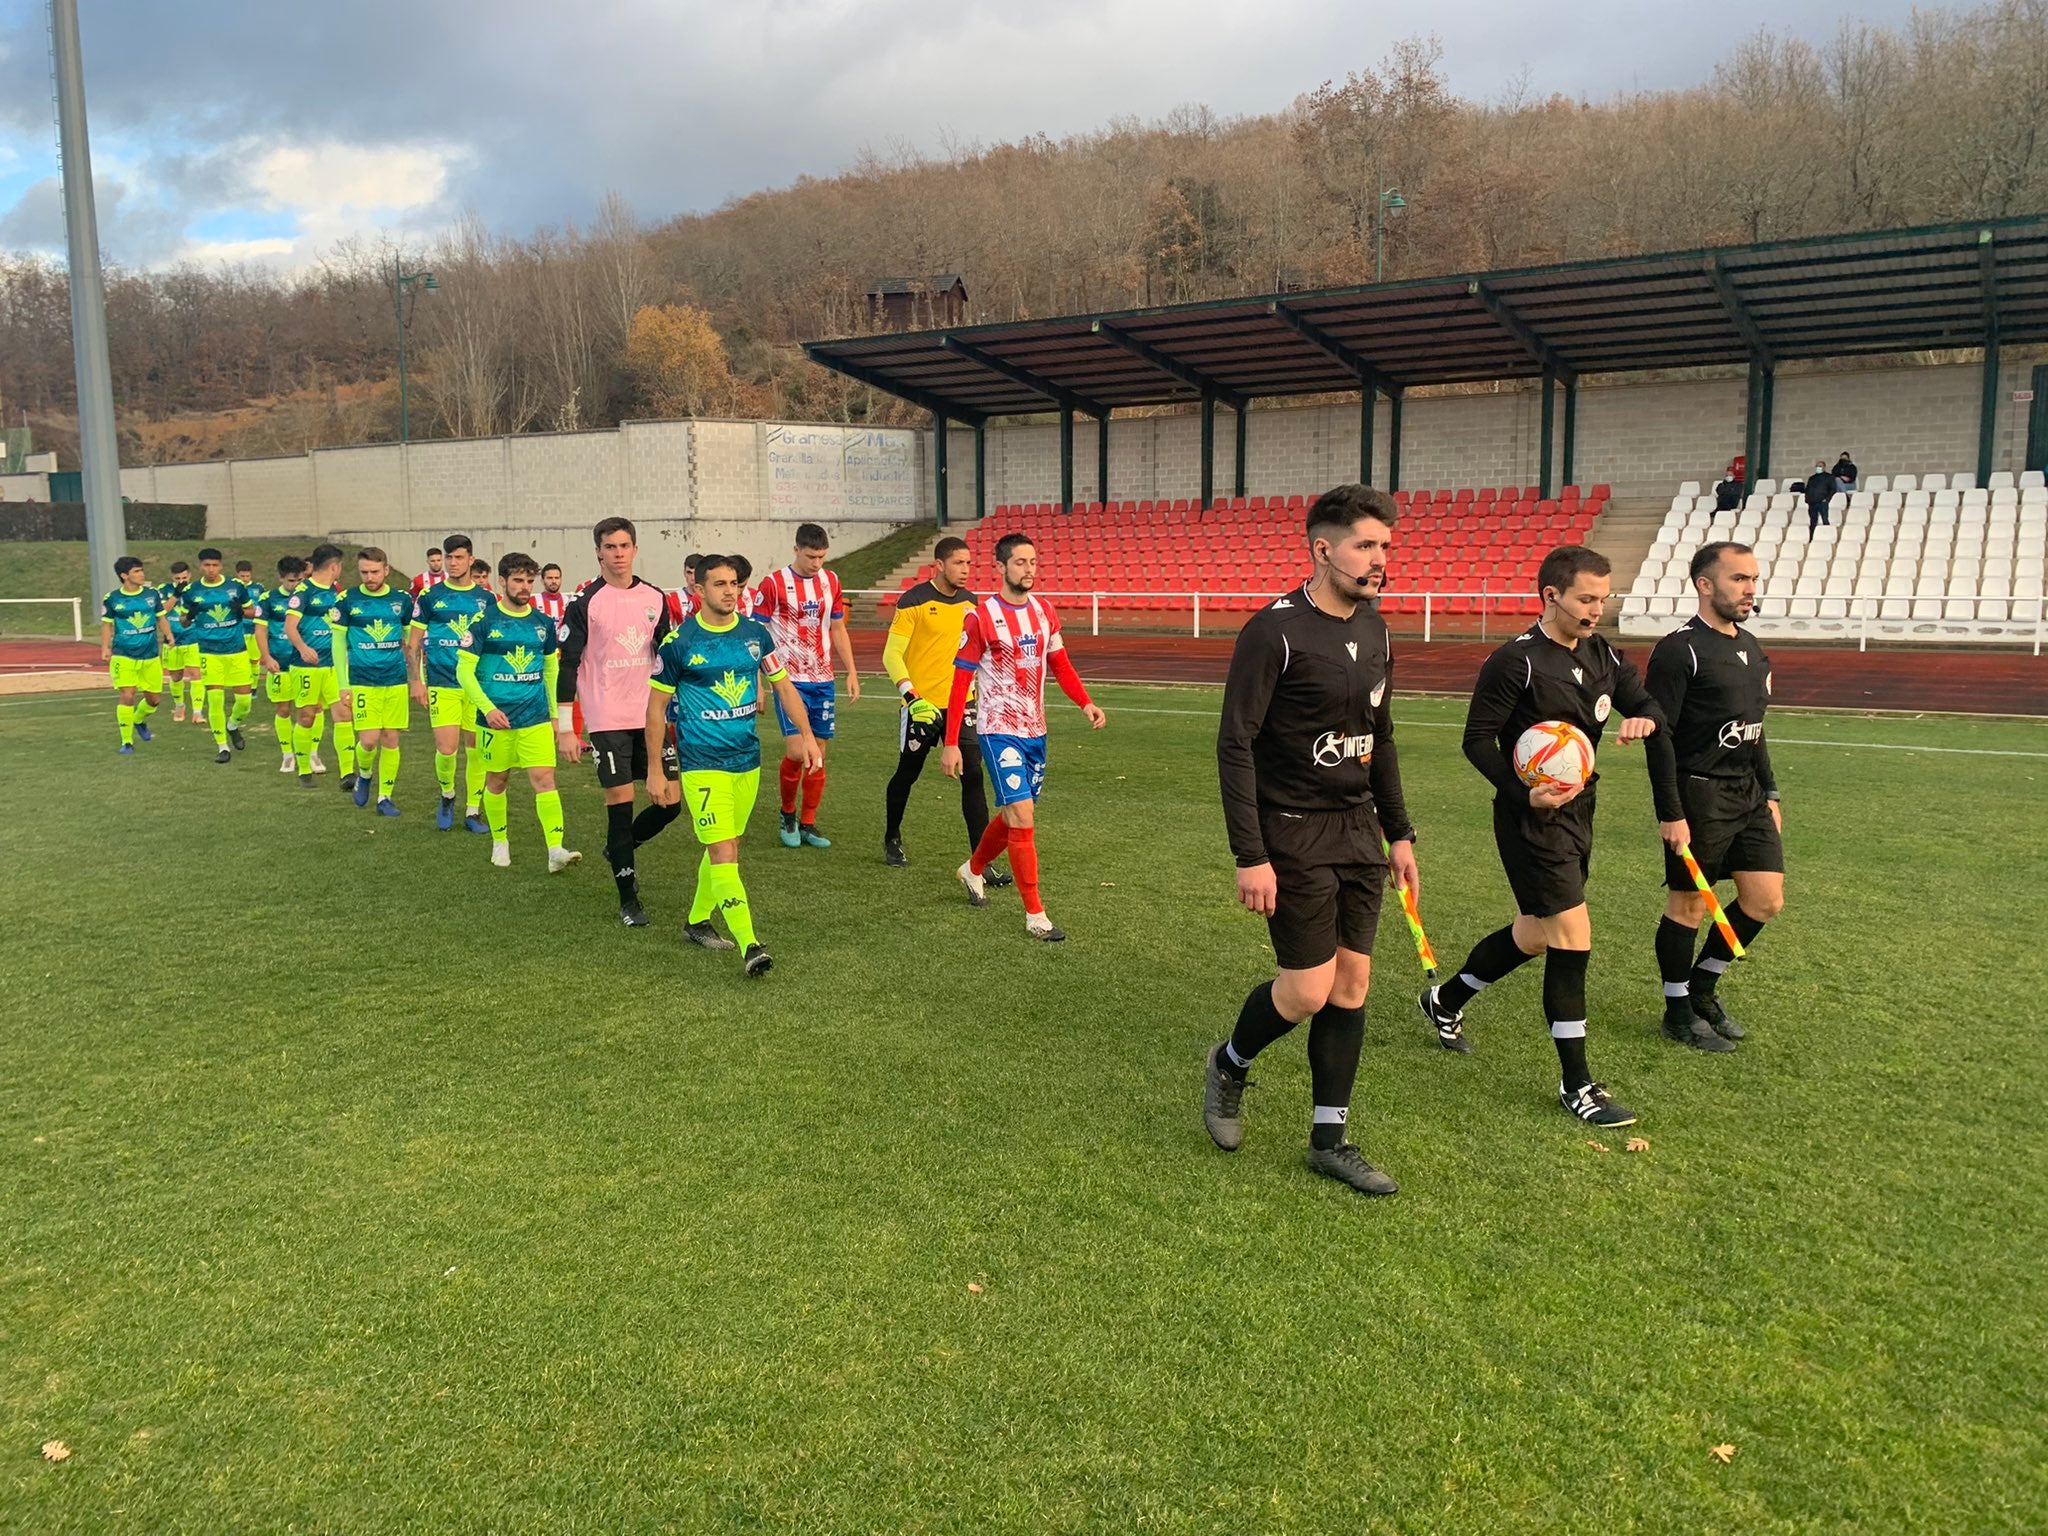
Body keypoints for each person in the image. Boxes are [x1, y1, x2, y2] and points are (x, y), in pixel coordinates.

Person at [1417, 545, 1680, 1129]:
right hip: (1529, 819)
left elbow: (1651, 706)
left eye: (1603, 599)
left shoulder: (1604, 653)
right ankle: (1577, 1085)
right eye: (1586, 599)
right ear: (1551, 597)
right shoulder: (1516, 663)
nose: (1596, 610)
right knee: (1572, 938)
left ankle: (1444, 1000)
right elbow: (1477, 741)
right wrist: (1523, 793)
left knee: (1536, 933)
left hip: (1581, 812)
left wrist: (1646, 719)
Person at [1203, 484, 1417, 1197]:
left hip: (1357, 828)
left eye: (1385, 545)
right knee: (1305, 991)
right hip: (1291, 831)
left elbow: (1379, 738)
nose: (1380, 558)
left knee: (1352, 986)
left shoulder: (1378, 630)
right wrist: (1250, 853)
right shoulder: (1275, 631)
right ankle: (1231, 1062)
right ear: (1323, 549)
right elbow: (1235, 745)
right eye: (1365, 544)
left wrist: (1400, 833)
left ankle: (1330, 1138)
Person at [645, 553, 821, 975]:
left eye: (735, 584)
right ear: (699, 590)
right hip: (702, 762)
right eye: (720, 584)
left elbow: (784, 687)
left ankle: (695, 921)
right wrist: (657, 769)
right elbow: (655, 711)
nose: (730, 591)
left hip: (747, 759)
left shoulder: (756, 635)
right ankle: (750, 945)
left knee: (730, 846)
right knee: (723, 851)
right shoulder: (679, 643)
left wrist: (807, 735)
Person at [1645, 542, 1785, 1052]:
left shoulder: (1751, 646)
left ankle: (1702, 989)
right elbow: (1659, 737)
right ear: (1705, 585)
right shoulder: (1678, 650)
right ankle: (1677, 1012)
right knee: (1687, 905)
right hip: (1698, 795)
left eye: (1753, 578)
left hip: (1748, 795)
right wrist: (1671, 812)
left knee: (1765, 900)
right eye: (1738, 579)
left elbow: (1755, 727)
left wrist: (1769, 790)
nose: (1750, 588)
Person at [940, 531, 1107, 942]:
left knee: (1015, 814)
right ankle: (1036, 914)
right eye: (1020, 562)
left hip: (1036, 731)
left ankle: (972, 869)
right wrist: (950, 742)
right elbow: (960, 682)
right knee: (1023, 816)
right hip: (998, 731)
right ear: (1000, 567)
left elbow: (1061, 664)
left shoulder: (1045, 612)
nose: (1028, 569)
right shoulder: (979, 617)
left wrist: (1085, 702)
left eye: (1033, 562)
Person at [555, 517, 679, 926]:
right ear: (598, 552)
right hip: (607, 719)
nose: (618, 554)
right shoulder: (585, 604)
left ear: (635, 549)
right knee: (620, 808)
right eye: (610, 547)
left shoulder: (655, 598)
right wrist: (566, 726)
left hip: (651, 716)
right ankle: (629, 900)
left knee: (671, 804)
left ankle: (621, 847)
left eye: (625, 546)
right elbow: (568, 664)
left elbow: (667, 656)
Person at [881, 535, 1008, 880]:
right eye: (958, 563)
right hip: (922, 707)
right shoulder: (914, 601)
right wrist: (911, 697)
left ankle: (982, 862)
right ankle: (892, 837)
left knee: (974, 776)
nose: (965, 570)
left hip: (963, 705)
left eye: (968, 563)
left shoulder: (972, 603)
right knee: (908, 773)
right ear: (939, 565)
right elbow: (891, 655)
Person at [456, 552, 582, 873]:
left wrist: (554, 714)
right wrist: (488, 708)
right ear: (502, 581)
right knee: (497, 781)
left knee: (545, 779)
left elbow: (550, 668)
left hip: (535, 716)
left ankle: (555, 849)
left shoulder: (542, 624)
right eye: (518, 581)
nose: (525, 587)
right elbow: (464, 673)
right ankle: (500, 841)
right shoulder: (484, 623)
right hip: (494, 719)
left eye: (529, 581)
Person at [751, 522, 859, 848]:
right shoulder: (773, 584)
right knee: (798, 751)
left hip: (823, 679)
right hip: (788, 679)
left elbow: (838, 628)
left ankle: (809, 823)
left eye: (822, 557)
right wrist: (758, 683)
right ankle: (787, 813)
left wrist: (851, 671)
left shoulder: (832, 581)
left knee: (819, 754)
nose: (817, 563)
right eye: (811, 556)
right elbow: (756, 636)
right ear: (796, 549)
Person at [406, 534, 492, 833]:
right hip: (442, 682)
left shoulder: (486, 598)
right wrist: (416, 681)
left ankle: (472, 811)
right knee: (446, 748)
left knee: (477, 748)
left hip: (477, 686)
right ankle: (447, 795)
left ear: (471, 560)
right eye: (449, 558)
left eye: (459, 558)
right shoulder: (430, 597)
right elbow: (413, 643)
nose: (453, 563)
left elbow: (492, 644)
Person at [329, 547, 417, 816]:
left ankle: (385, 798)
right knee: (368, 741)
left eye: (375, 572)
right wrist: (343, 684)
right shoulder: (347, 600)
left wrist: (416, 679)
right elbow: (337, 643)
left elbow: (410, 643)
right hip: (362, 681)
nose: (369, 577)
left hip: (395, 680)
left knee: (391, 738)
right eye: (364, 572)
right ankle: (365, 774)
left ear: (386, 570)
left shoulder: (401, 601)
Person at [177, 546, 260, 764]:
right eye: (206, 565)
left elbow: (253, 612)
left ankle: (232, 725)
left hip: (237, 650)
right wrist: (191, 615)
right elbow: (183, 621)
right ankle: (222, 747)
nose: (211, 569)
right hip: (209, 652)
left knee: (244, 702)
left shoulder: (235, 587)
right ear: (200, 566)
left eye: (215, 565)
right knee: (215, 700)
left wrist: (241, 611)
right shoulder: (191, 591)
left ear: (221, 566)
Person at [284, 544, 348, 790]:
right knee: (307, 716)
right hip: (305, 667)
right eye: (340, 565)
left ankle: (347, 773)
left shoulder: (338, 592)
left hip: (334, 665)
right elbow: (290, 626)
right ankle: (304, 770)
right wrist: (302, 648)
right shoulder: (304, 591)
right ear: (334, 566)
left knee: (344, 715)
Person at [101, 555, 170, 753]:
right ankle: (127, 742)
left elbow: (161, 618)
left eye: (141, 570)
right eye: (136, 571)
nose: (142, 574)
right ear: (124, 576)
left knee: (154, 700)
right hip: (123, 654)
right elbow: (107, 625)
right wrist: (105, 647)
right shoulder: (112, 599)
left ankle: (139, 720)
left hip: (149, 655)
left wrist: (169, 635)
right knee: (127, 694)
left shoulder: (152, 595)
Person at [255, 556, 306, 772]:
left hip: (305, 665)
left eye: (300, 580)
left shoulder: (309, 596)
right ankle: (287, 754)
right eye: (291, 581)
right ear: (281, 578)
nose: (296, 585)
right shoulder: (268, 599)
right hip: (280, 663)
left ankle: (311, 753)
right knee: (284, 709)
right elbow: (260, 630)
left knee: (311, 710)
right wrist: (267, 657)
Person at [158, 561, 199, 722]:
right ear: (172, 577)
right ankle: (180, 705)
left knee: (196, 675)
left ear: (189, 575)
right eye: (177, 578)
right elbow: (162, 611)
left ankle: (197, 711)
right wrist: (176, 594)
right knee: (176, 676)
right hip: (172, 639)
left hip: (193, 637)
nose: (181, 581)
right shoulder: (164, 590)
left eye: (184, 577)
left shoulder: (196, 589)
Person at [1803, 460, 1837, 534]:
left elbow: (1833, 489)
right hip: (1812, 503)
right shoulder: (1812, 478)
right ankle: (1812, 537)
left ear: (1824, 467)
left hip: (1822, 502)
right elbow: (1807, 489)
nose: (1818, 467)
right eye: (1817, 466)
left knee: (1825, 520)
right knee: (1813, 522)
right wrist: (1807, 499)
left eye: (1820, 466)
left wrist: (1827, 499)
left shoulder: (1829, 477)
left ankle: (1828, 535)